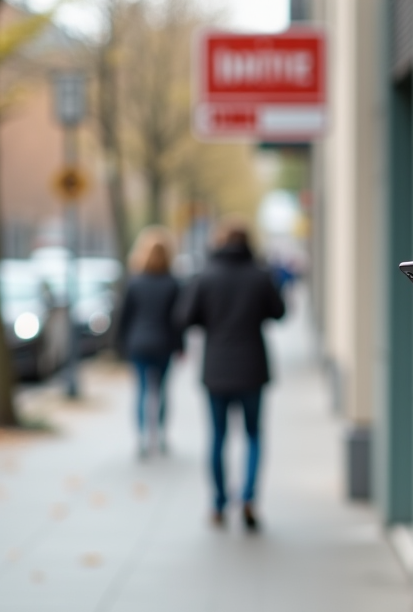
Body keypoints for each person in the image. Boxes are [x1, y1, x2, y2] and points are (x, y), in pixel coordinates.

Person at [175, 219, 286, 530]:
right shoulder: (260, 275)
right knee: (253, 435)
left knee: (218, 437)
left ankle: (218, 503)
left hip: (217, 367)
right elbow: (279, 312)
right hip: (252, 366)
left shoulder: (205, 276)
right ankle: (249, 498)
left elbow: (185, 317)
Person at [114, 226, 182, 458]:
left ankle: (142, 437)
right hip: (164, 344)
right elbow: (178, 319)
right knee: (161, 391)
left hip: (139, 343)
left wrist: (119, 346)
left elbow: (124, 317)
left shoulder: (135, 282)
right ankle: (161, 435)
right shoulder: (173, 283)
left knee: (142, 391)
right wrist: (180, 346)